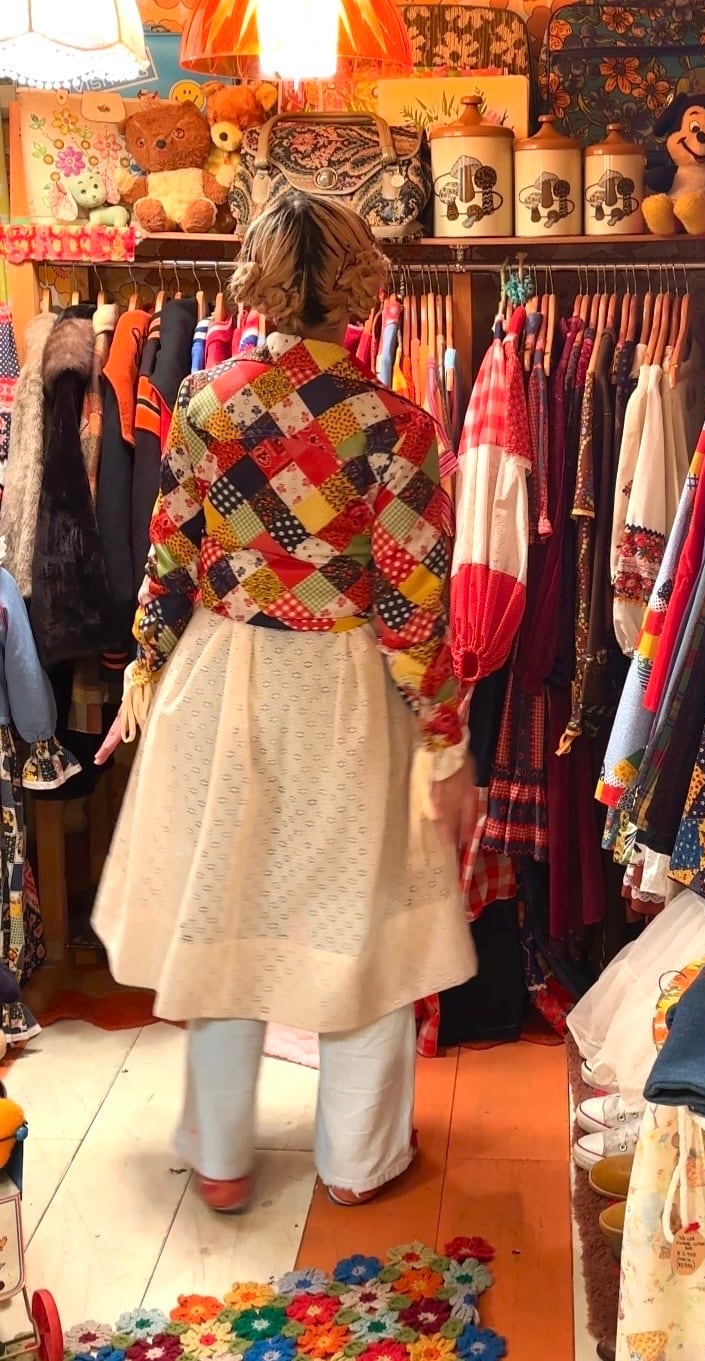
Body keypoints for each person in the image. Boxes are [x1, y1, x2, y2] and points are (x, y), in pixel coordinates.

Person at [91, 193, 477, 1214]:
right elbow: (411, 601)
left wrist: (144, 666)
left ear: (256, 280)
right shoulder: (397, 426)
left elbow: (171, 554)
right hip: (343, 688)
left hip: (223, 675)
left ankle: (221, 1156)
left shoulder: (204, 401)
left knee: (226, 915)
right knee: (360, 924)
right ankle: (356, 1159)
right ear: (358, 285)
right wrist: (444, 740)